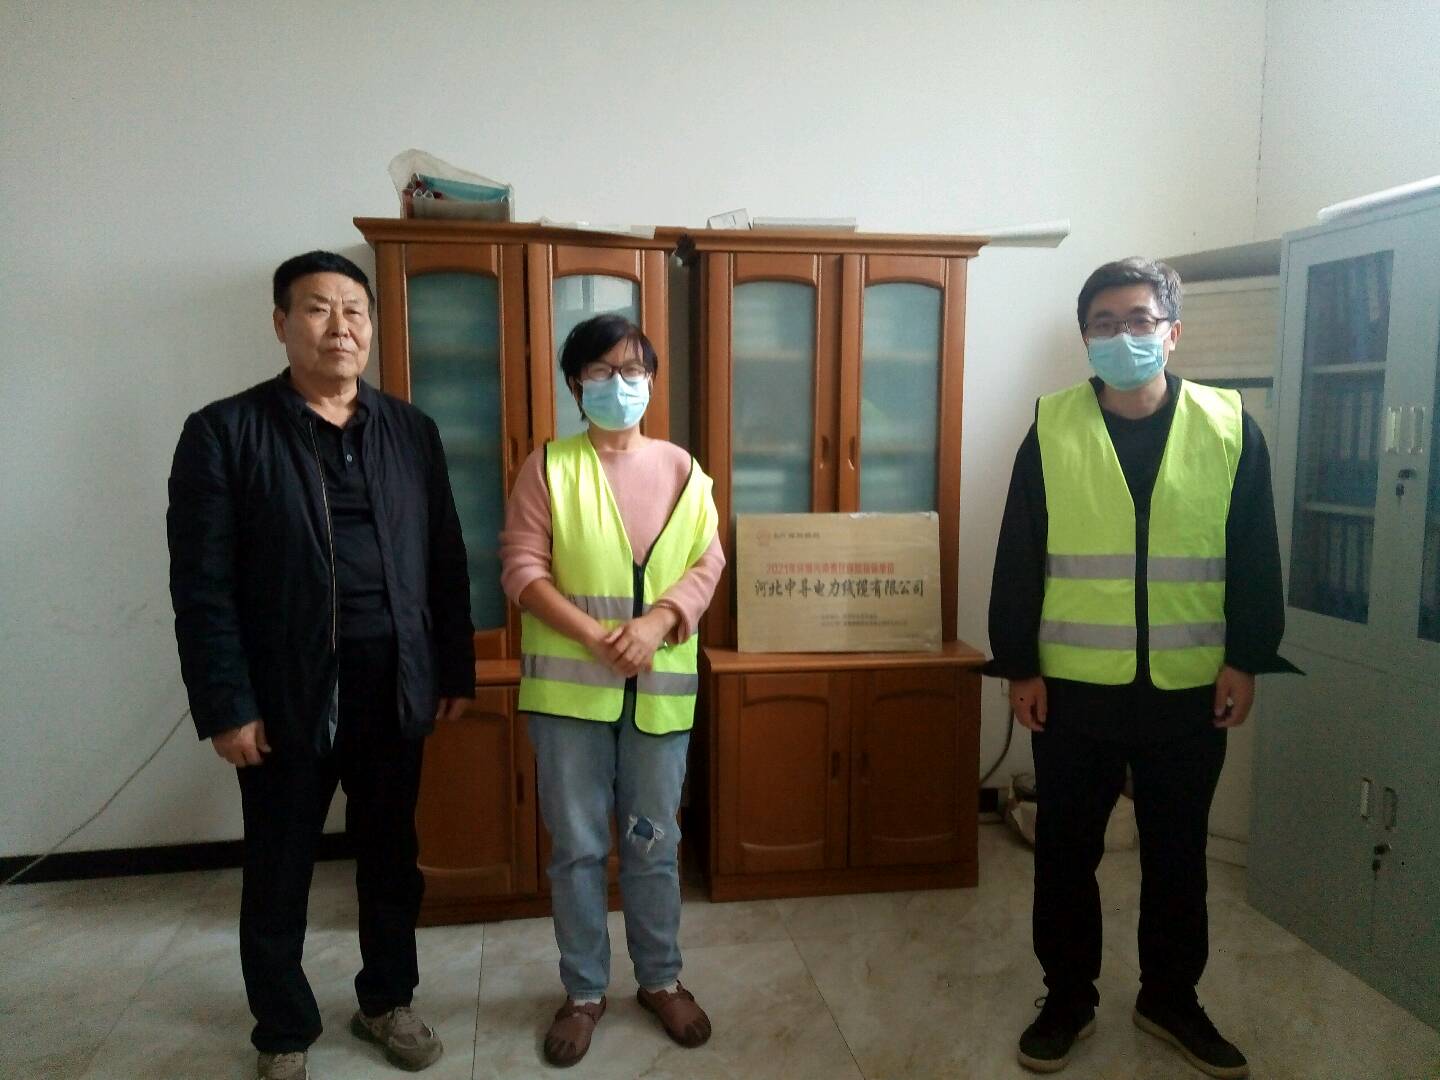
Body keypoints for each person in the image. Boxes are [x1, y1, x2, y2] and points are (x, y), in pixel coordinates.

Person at [167, 251, 475, 1080]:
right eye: (317, 309)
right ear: (281, 323)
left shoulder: (410, 431)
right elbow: (201, 586)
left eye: (355, 311)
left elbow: (445, 557)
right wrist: (227, 704)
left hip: (394, 686)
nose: (341, 326)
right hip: (283, 695)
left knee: (391, 858)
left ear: (371, 328)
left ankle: (387, 1000)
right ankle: (283, 1029)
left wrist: (452, 669)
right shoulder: (224, 432)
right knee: (279, 868)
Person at [986, 257, 1295, 1078]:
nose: (1123, 335)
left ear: (1172, 331)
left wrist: (1247, 657)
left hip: (1190, 691)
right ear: (1085, 338)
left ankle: (1170, 997)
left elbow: (1254, 553)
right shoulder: (1052, 427)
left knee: (1178, 856)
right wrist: (1019, 665)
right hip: (1073, 690)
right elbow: (1019, 555)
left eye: (1139, 320)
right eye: (1105, 323)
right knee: (1065, 856)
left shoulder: (1229, 427)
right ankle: (1067, 997)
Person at [500, 313, 723, 1067]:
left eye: (633, 371)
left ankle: (660, 978)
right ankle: (584, 991)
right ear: (576, 384)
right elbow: (522, 569)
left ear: (651, 381)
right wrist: (597, 637)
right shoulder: (549, 468)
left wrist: (659, 621)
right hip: (570, 698)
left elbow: (707, 563)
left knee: (655, 843)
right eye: (602, 372)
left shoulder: (685, 470)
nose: (619, 385)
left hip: (659, 693)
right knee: (578, 850)